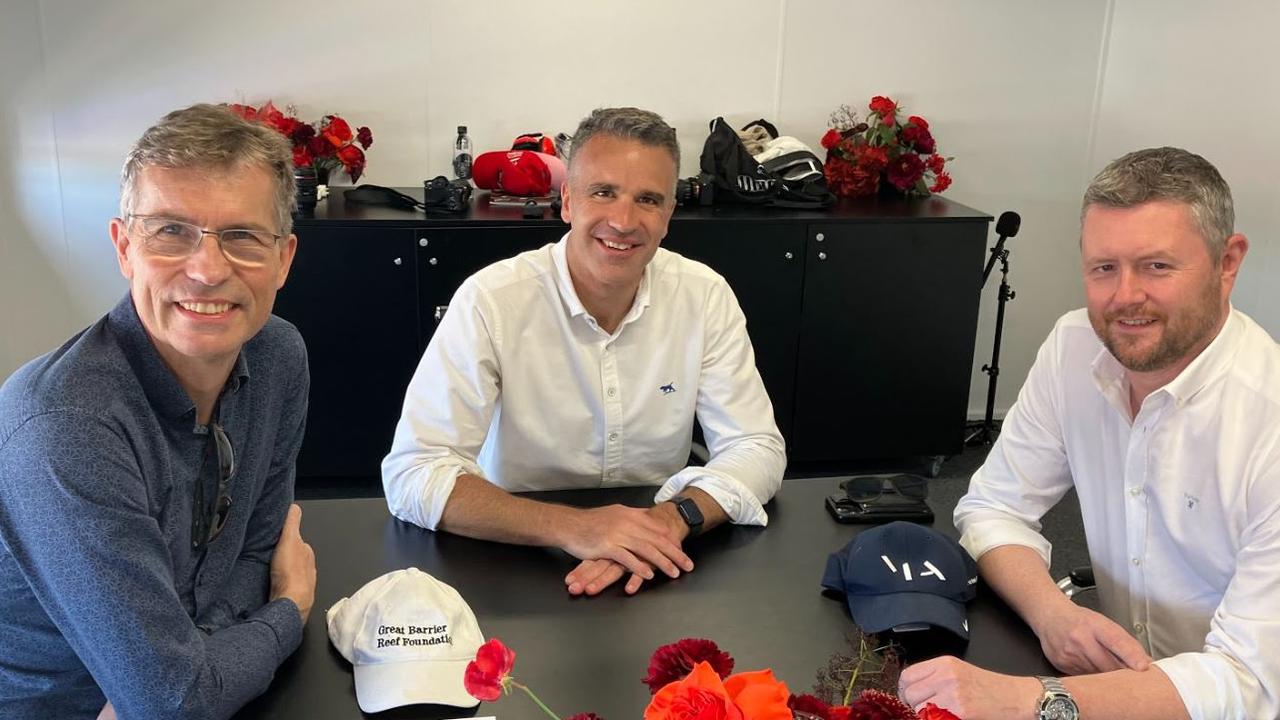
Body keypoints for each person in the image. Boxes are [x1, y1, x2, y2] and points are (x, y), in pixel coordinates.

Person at [898, 146, 1279, 719]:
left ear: (1228, 263)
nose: (1124, 297)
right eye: (1104, 268)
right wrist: (1054, 614)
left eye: (1157, 266)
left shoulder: (1266, 418)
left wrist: (1035, 699)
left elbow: (1250, 682)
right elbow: (992, 507)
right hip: (1124, 691)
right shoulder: (1075, 348)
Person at [382, 107, 785, 597]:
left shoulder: (704, 295)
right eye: (604, 192)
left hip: (658, 554)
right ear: (568, 202)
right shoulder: (491, 300)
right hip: (511, 552)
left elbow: (757, 446)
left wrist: (674, 517)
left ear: (669, 216)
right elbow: (414, 471)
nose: (623, 221)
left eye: (648, 200)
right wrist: (575, 528)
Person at [0, 104, 317, 719]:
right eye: (170, 231)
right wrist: (289, 612)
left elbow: (255, 551)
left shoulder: (279, 356)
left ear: (284, 259)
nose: (206, 270)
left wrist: (190, 666)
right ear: (124, 247)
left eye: (243, 236)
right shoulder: (66, 428)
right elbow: (174, 706)